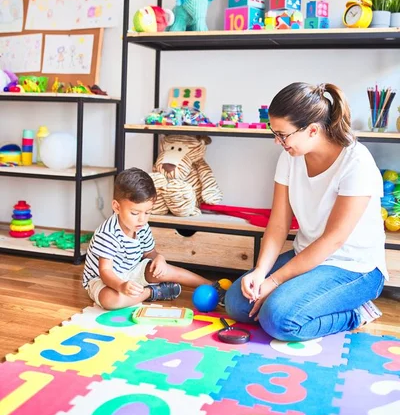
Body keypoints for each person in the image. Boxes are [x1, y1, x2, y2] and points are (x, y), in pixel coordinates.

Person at [225, 82, 387, 341]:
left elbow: (332, 240)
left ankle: (356, 313)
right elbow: (278, 224)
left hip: (354, 268)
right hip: (307, 257)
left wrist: (274, 281)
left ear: (312, 130)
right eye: (274, 132)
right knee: (237, 304)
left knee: (278, 320)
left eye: (283, 134)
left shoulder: (357, 163)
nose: (278, 142)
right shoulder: (290, 157)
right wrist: (259, 271)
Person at [83, 167, 221, 309]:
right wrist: (121, 286)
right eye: (135, 213)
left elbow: (149, 253)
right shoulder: (107, 233)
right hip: (103, 280)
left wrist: (159, 258)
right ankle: (153, 292)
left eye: (147, 212)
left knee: (164, 269)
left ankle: (214, 286)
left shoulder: (141, 226)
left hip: (132, 271)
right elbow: (105, 271)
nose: (142, 219)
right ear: (116, 207)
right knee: (111, 301)